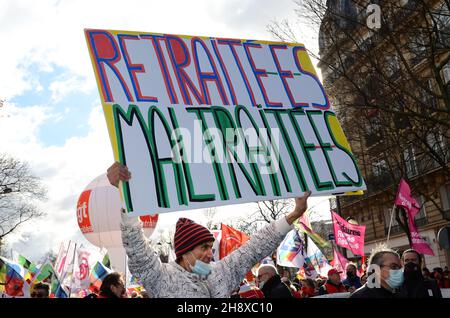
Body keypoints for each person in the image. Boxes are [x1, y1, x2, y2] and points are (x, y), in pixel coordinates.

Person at [107, 162, 311, 298]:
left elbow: (254, 248)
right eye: (203, 247)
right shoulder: (162, 277)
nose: (209, 253)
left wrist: (294, 213)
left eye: (209, 247)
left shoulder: (219, 272)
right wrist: (124, 196)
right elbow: (137, 248)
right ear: (184, 251)